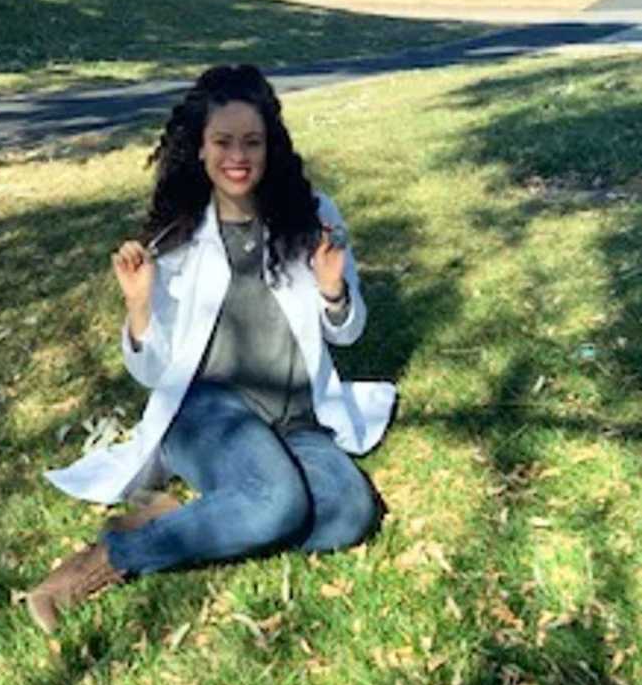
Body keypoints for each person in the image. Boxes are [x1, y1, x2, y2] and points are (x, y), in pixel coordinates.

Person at [27, 65, 395, 633]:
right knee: (278, 504)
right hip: (207, 413)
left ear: (271, 145)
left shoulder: (315, 217)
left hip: (296, 416)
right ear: (199, 148)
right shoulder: (175, 238)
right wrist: (140, 307)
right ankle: (105, 562)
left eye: (252, 141)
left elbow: (348, 332)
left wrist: (333, 289)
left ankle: (191, 517)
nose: (238, 156)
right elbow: (153, 370)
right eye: (223, 141)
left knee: (349, 515)